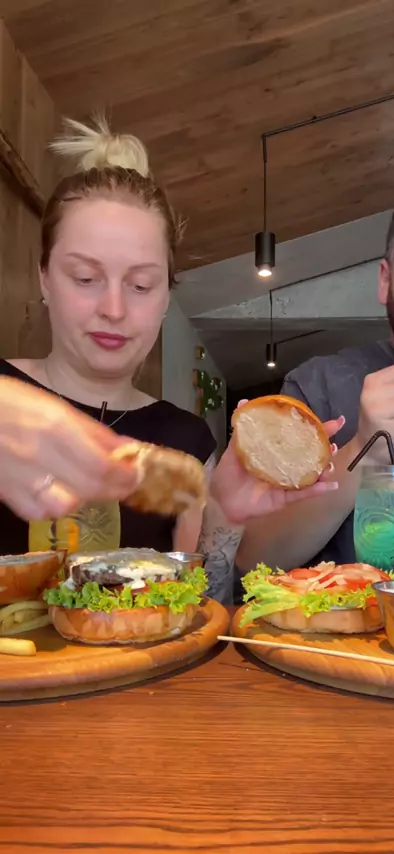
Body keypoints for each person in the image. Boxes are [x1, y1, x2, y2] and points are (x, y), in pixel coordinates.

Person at [0, 116, 342, 603]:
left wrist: (222, 514)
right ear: (44, 278)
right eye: (85, 278)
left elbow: (202, 609)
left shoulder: (187, 441)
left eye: (140, 285)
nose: (114, 309)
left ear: (165, 298)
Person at [237, 168, 394, 590]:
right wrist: (362, 452)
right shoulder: (319, 385)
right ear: (385, 281)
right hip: (349, 631)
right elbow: (253, 559)